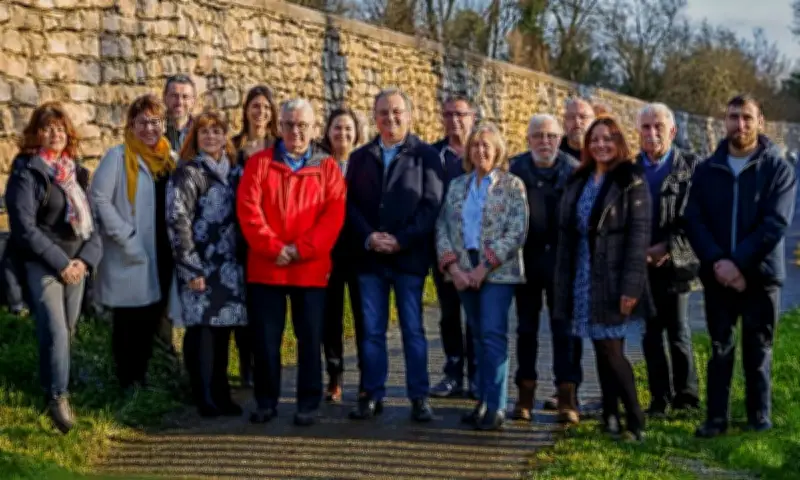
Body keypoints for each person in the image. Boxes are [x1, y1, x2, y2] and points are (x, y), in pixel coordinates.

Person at [685, 94, 797, 438]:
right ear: (725, 121)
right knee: (720, 348)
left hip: (761, 277)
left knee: (758, 348)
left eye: (747, 117)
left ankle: (758, 417)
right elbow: (694, 219)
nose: (741, 124)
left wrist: (737, 263)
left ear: (760, 121)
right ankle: (715, 418)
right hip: (718, 277)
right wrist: (719, 262)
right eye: (734, 117)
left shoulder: (777, 168)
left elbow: (776, 222)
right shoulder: (707, 169)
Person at [237, 99, 346, 426]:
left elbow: (333, 217)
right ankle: (266, 401)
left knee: (310, 339)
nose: (295, 131)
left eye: (302, 125)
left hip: (309, 269)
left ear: (314, 129)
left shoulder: (327, 168)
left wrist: (301, 249)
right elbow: (248, 210)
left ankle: (308, 403)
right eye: (288, 124)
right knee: (266, 340)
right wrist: (274, 247)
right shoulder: (258, 163)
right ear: (279, 126)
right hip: (266, 267)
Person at [345, 88, 444, 422]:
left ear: (409, 115)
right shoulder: (360, 157)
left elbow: (431, 206)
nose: (391, 118)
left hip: (408, 258)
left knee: (412, 330)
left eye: (397, 111)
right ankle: (372, 394)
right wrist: (370, 236)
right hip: (370, 259)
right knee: (372, 330)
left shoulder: (426, 156)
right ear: (375, 117)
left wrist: (400, 240)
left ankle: (419, 396)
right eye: (384, 112)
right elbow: (350, 206)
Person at [552, 116, 652, 442]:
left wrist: (631, 287)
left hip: (613, 278)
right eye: (595, 139)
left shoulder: (631, 180)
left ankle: (635, 419)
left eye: (608, 139)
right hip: (582, 274)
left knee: (611, 348)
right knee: (599, 346)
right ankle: (610, 415)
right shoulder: (579, 178)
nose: (601, 145)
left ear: (619, 142)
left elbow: (639, 239)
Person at [5, 102, 102, 433]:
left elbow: (94, 226)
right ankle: (57, 399)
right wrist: (62, 264)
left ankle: (57, 382)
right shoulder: (27, 171)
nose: (54, 134)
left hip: (76, 264)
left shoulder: (78, 173)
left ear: (68, 134)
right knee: (55, 331)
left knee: (67, 332)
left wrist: (84, 261)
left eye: (60, 128)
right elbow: (24, 228)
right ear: (36, 133)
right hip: (43, 264)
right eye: (47, 128)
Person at [436, 122, 528, 430]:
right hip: (463, 269)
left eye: (487, 145)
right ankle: (483, 400)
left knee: (492, 335)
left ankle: (497, 406)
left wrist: (482, 268)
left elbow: (516, 231)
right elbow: (443, 228)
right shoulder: (457, 185)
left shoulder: (512, 185)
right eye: (475, 145)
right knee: (476, 337)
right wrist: (454, 269)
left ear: (498, 150)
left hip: (497, 271)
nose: (480, 151)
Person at [92, 94, 177, 393]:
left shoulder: (169, 160)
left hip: (162, 251)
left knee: (152, 316)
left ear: (164, 125)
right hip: (131, 250)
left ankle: (141, 376)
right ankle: (127, 381)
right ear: (131, 125)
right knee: (128, 319)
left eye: (155, 122)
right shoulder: (118, 157)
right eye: (142, 122)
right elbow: (99, 198)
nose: (149, 129)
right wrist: (124, 235)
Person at [167, 111, 247, 417]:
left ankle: (222, 392)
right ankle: (203, 396)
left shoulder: (234, 172)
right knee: (202, 333)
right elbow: (177, 221)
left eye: (217, 131)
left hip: (229, 267)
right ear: (195, 138)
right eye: (204, 132)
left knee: (223, 331)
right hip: (200, 265)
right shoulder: (188, 173)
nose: (211, 136)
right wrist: (190, 268)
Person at [508, 114, 579, 424]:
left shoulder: (575, 172)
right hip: (527, 263)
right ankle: (524, 395)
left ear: (560, 139)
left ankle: (567, 396)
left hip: (564, 265)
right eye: (538, 136)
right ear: (528, 140)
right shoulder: (515, 169)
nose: (544, 142)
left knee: (565, 331)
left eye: (551, 136)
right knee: (526, 330)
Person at [635, 103, 701, 417]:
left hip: (678, 263)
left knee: (678, 331)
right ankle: (658, 399)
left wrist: (667, 247)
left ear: (672, 131)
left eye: (658, 126)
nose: (652, 133)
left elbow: (697, 217)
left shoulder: (689, 166)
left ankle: (686, 398)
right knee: (650, 334)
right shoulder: (631, 169)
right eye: (645, 127)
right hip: (642, 265)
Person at [229, 84, 280, 388]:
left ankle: (267, 362)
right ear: (246, 109)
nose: (260, 112)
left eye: (265, 107)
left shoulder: (279, 146)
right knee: (242, 302)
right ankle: (245, 363)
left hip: (271, 233)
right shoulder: (233, 146)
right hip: (237, 234)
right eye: (255, 106)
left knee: (266, 305)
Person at [429, 95, 477, 399]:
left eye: (460, 114)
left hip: (476, 250)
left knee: (475, 315)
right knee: (449, 313)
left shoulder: (485, 151)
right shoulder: (433, 155)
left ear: (472, 117)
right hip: (444, 248)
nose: (454, 120)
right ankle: (452, 370)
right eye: (448, 114)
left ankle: (476, 373)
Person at [319, 107, 365, 402]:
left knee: (364, 318)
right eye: (337, 128)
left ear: (356, 134)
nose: (343, 134)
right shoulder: (319, 165)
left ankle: (366, 377)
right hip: (328, 252)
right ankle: (334, 377)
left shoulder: (365, 164)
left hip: (360, 253)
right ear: (328, 132)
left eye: (348, 129)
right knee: (330, 318)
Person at [163, 74, 197, 152]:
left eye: (185, 97)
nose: (179, 102)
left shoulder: (202, 131)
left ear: (193, 101)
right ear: (164, 97)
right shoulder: (153, 130)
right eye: (174, 96)